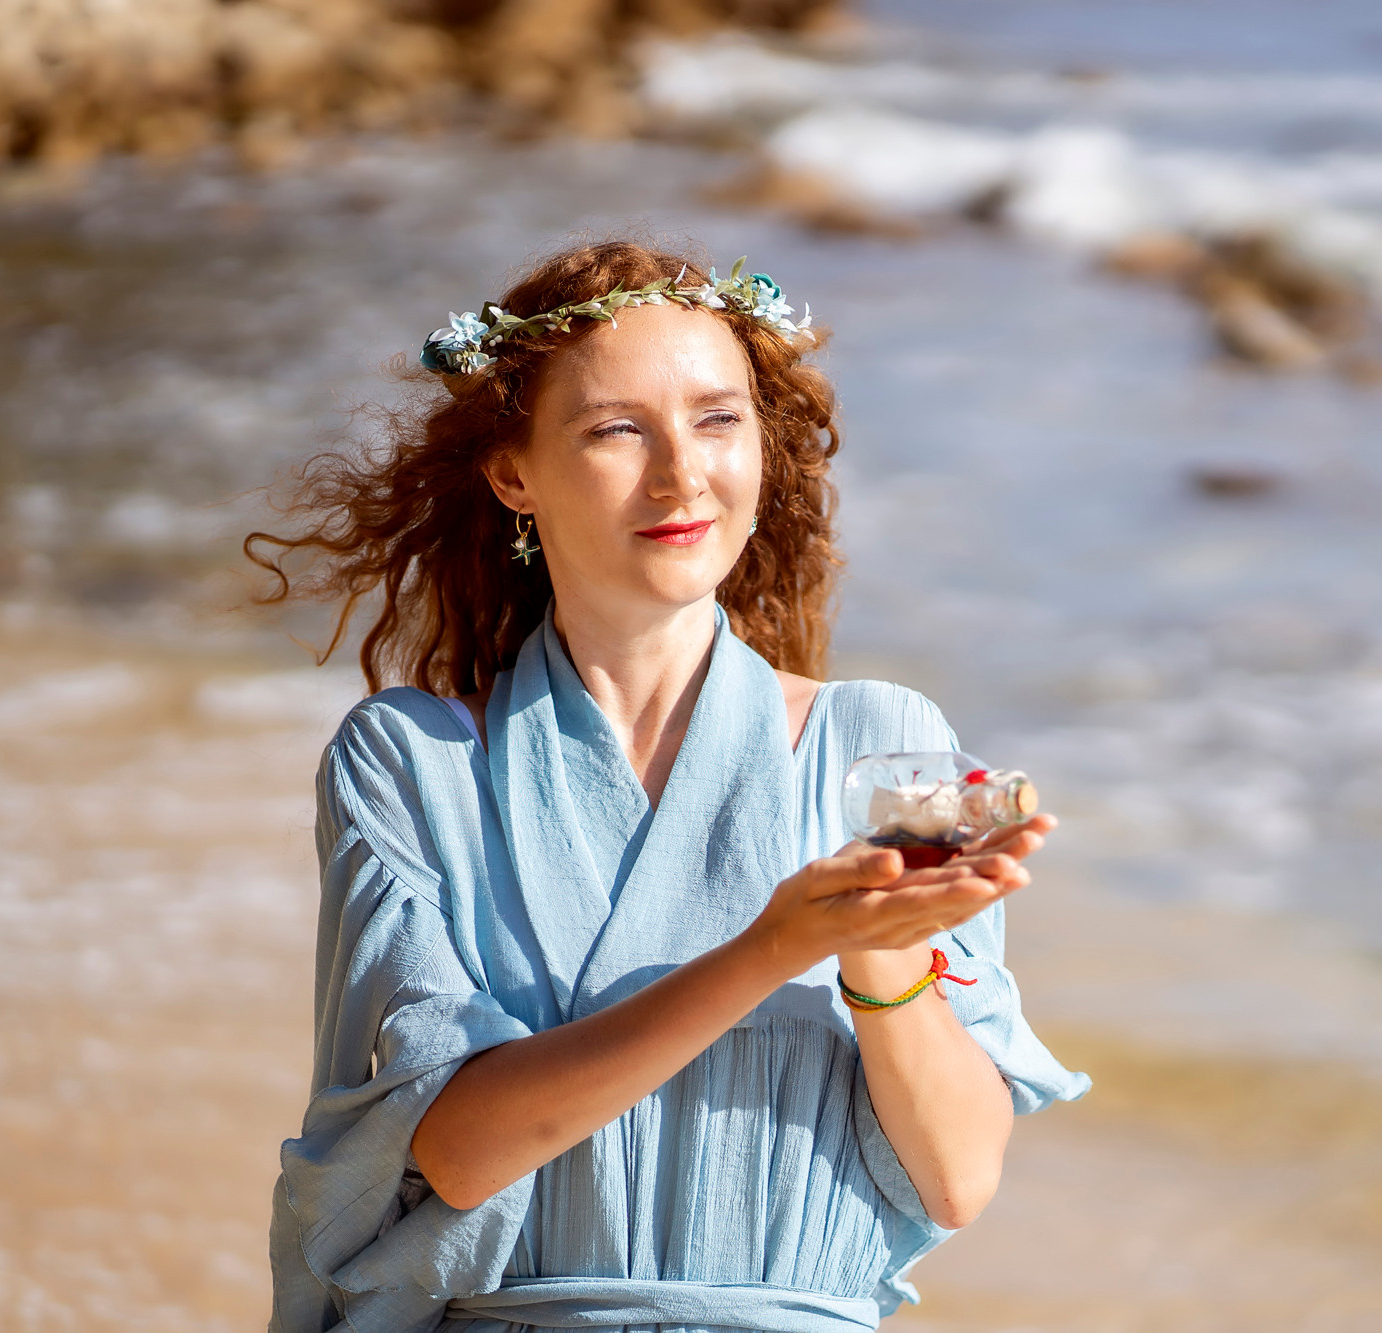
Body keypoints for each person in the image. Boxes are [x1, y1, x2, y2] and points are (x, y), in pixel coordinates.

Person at [249, 238, 1089, 1333]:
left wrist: (878, 951)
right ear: (514, 473)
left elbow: (958, 1177)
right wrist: (774, 948)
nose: (681, 473)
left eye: (716, 418)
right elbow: (458, 1150)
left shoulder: (883, 738)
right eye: (614, 429)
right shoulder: (411, 761)